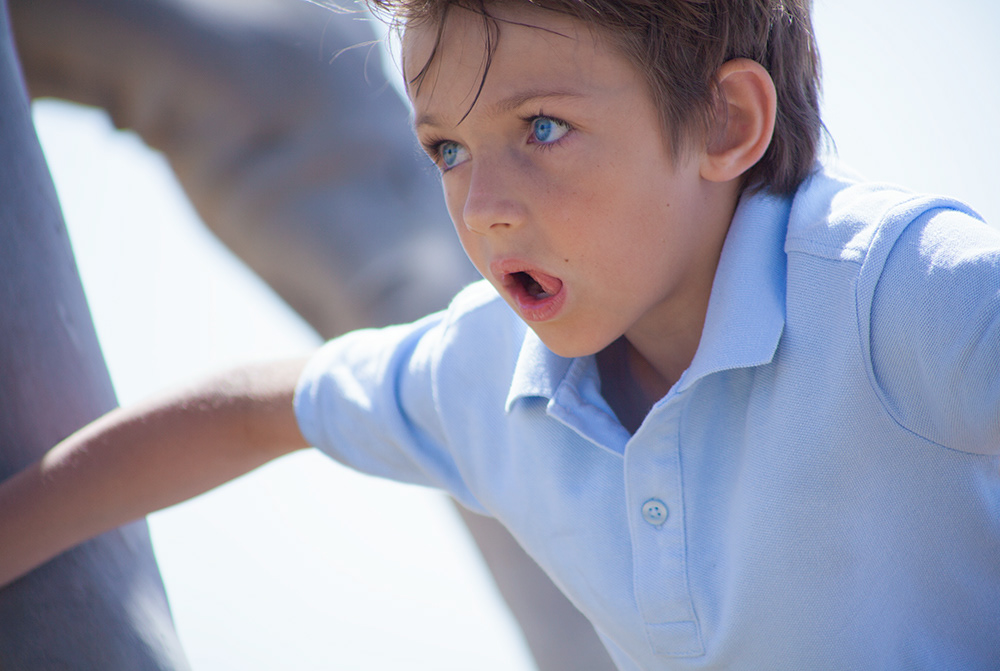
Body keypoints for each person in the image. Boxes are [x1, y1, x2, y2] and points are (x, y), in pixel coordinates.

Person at [2, 0, 998, 668]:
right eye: (445, 147)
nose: (481, 206)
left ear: (724, 121)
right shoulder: (486, 371)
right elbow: (266, 407)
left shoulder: (896, 289)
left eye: (542, 129)